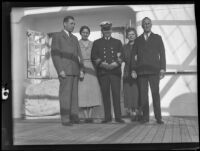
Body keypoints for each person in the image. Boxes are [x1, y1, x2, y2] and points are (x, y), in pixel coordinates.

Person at [131, 17, 166, 124]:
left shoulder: (157, 38)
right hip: (141, 72)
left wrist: (162, 69)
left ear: (151, 25)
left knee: (155, 94)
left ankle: (158, 117)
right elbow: (133, 56)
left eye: (148, 23)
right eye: (144, 24)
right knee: (143, 95)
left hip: (154, 71)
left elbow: (162, 54)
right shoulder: (138, 40)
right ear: (142, 26)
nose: (146, 25)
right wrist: (133, 70)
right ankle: (145, 117)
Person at [51, 16, 85, 126]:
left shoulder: (75, 38)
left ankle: (74, 117)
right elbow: (55, 54)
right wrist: (60, 69)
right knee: (65, 96)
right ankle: (65, 119)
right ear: (64, 24)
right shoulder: (57, 36)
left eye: (74, 24)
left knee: (74, 96)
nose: (73, 25)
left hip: (75, 70)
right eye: (71, 23)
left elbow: (79, 55)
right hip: (65, 71)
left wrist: (81, 68)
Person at [91, 21, 125, 124]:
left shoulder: (118, 42)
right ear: (102, 31)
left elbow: (122, 56)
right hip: (103, 73)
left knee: (116, 95)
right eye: (105, 30)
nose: (107, 32)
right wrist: (104, 65)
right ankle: (107, 117)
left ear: (111, 30)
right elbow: (94, 57)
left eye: (108, 30)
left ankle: (118, 117)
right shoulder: (96, 43)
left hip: (115, 73)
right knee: (105, 95)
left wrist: (115, 64)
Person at [78, 26, 102, 123]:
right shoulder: (77, 44)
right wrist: (80, 70)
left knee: (92, 92)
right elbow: (76, 57)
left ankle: (90, 116)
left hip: (92, 69)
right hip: (82, 67)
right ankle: (85, 116)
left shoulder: (93, 44)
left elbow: (96, 56)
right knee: (83, 93)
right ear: (80, 33)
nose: (85, 34)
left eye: (87, 32)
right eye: (83, 32)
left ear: (89, 33)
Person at [123, 27, 139, 121]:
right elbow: (122, 58)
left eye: (133, 34)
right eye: (129, 35)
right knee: (128, 93)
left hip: (137, 72)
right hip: (127, 72)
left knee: (136, 93)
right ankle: (131, 113)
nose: (131, 36)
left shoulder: (139, 45)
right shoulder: (124, 47)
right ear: (127, 36)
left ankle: (137, 112)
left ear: (135, 35)